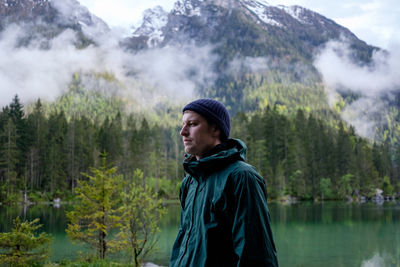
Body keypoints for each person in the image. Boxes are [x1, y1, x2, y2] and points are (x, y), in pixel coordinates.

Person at [170, 98, 278, 267]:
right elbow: (183, 244)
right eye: (183, 124)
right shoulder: (189, 182)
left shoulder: (242, 177)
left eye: (192, 124)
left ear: (215, 129)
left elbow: (257, 256)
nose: (182, 132)